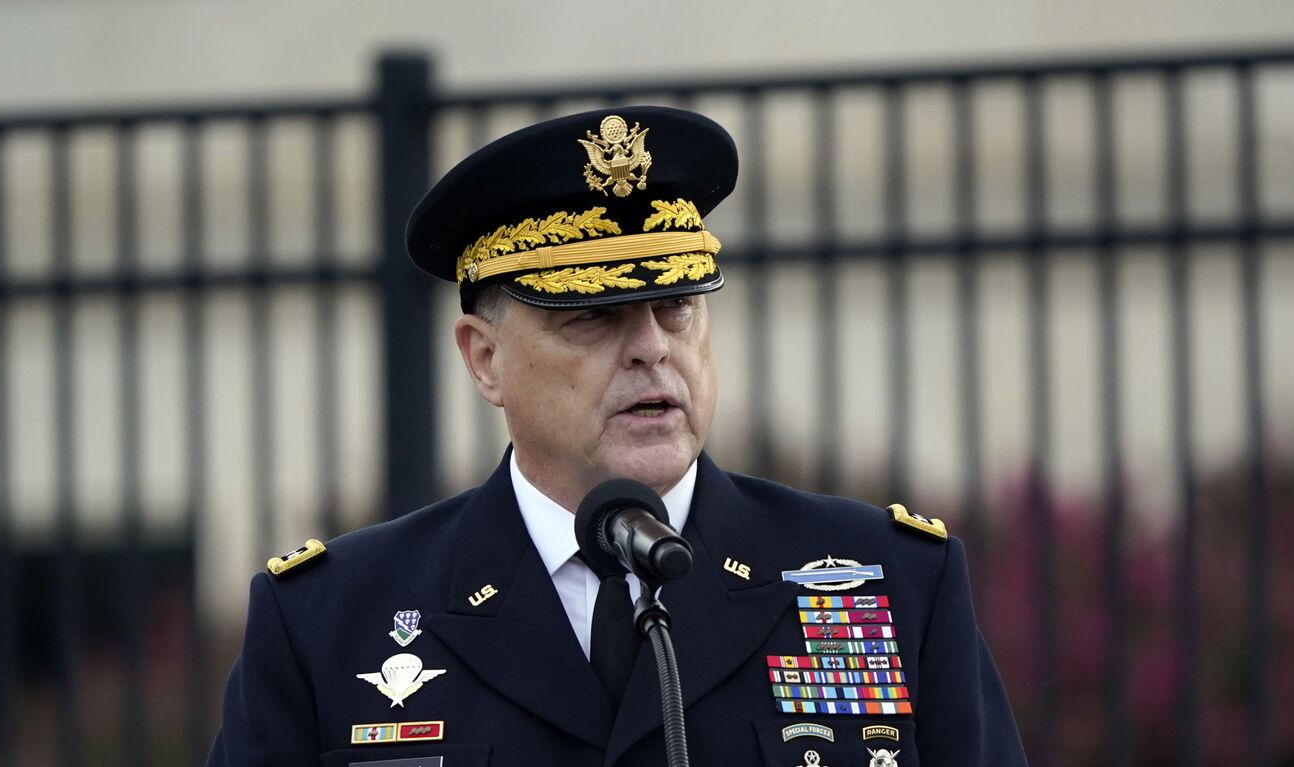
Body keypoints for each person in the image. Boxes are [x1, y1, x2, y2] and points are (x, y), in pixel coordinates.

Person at [206, 106, 1028, 767]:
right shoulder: (330, 620)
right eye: (593, 315)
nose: (651, 347)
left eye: (676, 306)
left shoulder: (891, 586)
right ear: (485, 360)